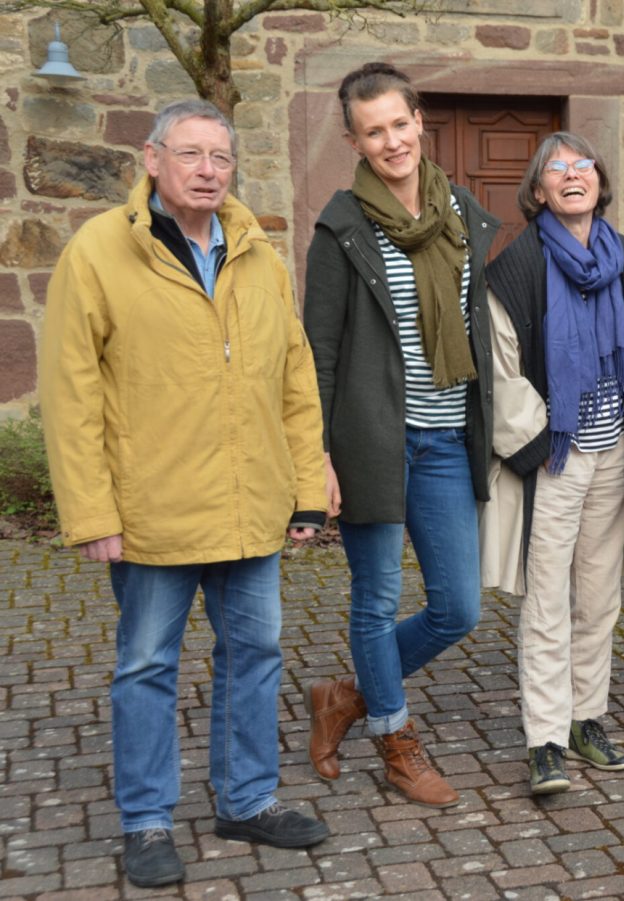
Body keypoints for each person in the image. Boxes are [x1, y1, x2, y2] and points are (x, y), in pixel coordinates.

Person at [38, 99, 330, 889]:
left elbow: (294, 377)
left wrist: (307, 488)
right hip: (152, 514)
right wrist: (92, 513)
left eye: (221, 158)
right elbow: (69, 396)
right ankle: (146, 819)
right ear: (152, 158)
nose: (208, 170)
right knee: (145, 666)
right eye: (192, 154)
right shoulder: (98, 252)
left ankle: (247, 798)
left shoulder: (257, 252)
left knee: (256, 656)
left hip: (249, 506)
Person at [302, 63, 499, 808]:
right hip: (373, 441)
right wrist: (317, 454)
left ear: (420, 121)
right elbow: (318, 349)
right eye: (372, 129)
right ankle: (393, 733)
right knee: (376, 597)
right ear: (355, 139)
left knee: (459, 606)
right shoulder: (342, 226)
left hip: (447, 437)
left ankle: (346, 695)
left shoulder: (462, 213)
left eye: (399, 123)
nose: (390, 140)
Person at [482, 132, 624, 795]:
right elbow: (500, 369)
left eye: (584, 163)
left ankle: (588, 716)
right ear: (538, 192)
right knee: (547, 601)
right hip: (554, 458)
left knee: (599, 596)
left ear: (601, 181)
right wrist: (535, 451)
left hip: (615, 454)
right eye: (556, 168)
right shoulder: (518, 266)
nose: (572, 173)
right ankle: (545, 737)